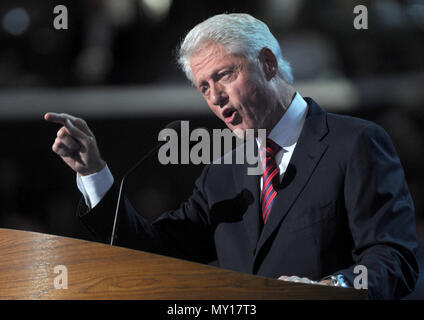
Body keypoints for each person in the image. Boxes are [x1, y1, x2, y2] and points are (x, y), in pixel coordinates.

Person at [45, 13, 418, 299]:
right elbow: (156, 252)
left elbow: (393, 259)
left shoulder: (355, 143)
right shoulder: (222, 171)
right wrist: (95, 174)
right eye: (204, 86)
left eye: (223, 76)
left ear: (268, 64)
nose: (215, 97)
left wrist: (328, 289)